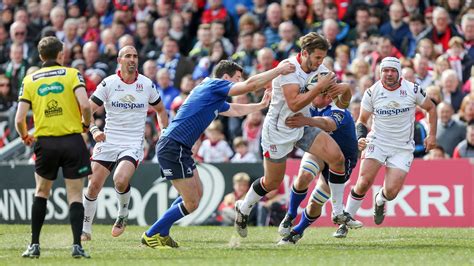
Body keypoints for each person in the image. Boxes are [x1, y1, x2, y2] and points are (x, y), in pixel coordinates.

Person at [141, 59, 296, 248]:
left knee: (197, 194)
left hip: (180, 147)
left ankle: (162, 232)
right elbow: (250, 85)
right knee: (191, 202)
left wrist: (259, 106)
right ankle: (151, 234)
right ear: (225, 77)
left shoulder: (212, 94)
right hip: (174, 146)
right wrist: (279, 70)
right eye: (236, 78)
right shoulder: (214, 85)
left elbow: (234, 109)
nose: (239, 82)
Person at [234, 32, 359, 239]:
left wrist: (343, 91)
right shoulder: (288, 69)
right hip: (278, 129)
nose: (320, 62)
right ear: (304, 53)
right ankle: (244, 206)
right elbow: (294, 104)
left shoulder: (321, 70)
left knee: (337, 158)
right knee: (272, 182)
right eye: (317, 57)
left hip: (302, 125)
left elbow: (339, 104)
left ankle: (338, 213)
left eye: (323, 58)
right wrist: (319, 87)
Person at [81, 46, 168, 241]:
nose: (132, 59)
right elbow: (86, 109)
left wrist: (164, 132)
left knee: (120, 179)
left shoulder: (146, 85)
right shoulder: (109, 83)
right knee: (93, 183)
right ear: (120, 60)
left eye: (135, 56)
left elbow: (161, 110)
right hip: (109, 140)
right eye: (128, 56)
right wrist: (94, 130)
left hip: (133, 142)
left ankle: (122, 214)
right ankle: (85, 230)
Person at [15, 36, 92, 258]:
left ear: (40, 56)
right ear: (61, 55)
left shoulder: (30, 80)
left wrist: (25, 136)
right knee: (75, 194)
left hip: (45, 142)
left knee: (41, 192)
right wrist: (85, 125)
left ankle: (35, 245)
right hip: (72, 141)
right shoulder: (71, 74)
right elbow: (85, 105)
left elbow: (19, 119)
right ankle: (77, 246)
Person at [345, 57, 437, 227]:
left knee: (392, 192)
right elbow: (362, 120)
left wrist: (432, 135)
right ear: (380, 72)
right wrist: (360, 137)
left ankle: (380, 199)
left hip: (402, 147)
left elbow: (431, 108)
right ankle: (345, 221)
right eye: (385, 70)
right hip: (377, 141)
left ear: (399, 73)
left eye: (392, 70)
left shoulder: (412, 89)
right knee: (364, 182)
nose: (389, 74)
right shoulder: (372, 92)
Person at [277, 91, 360, 244]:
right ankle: (290, 215)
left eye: (315, 94)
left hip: (342, 160)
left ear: (328, 97)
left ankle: (297, 232)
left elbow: (328, 123)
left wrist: (306, 120)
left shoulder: (338, 108)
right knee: (304, 176)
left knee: (316, 201)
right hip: (320, 152)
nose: (311, 96)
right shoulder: (309, 105)